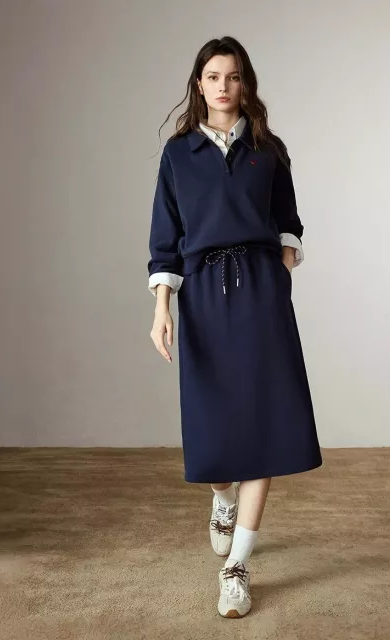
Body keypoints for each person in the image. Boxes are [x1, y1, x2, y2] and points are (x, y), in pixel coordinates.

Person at [147, 36, 323, 618]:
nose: (224, 87)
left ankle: (237, 567)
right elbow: (166, 239)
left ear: (246, 83)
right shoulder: (178, 155)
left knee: (263, 421)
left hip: (260, 296)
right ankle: (221, 495)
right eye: (213, 77)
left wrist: (278, 273)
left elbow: (288, 222)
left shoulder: (267, 150)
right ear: (199, 84)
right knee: (213, 425)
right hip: (201, 295)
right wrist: (162, 308)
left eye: (234, 76)